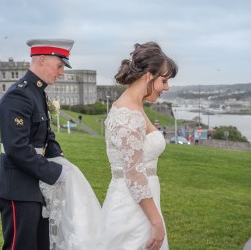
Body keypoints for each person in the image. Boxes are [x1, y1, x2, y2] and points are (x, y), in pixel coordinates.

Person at [0, 38, 77, 250]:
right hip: (17, 186)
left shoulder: (37, 92)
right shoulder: (19, 95)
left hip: (35, 185)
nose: (61, 73)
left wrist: (61, 160)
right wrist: (55, 172)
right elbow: (16, 148)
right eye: (59, 66)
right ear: (41, 60)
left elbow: (46, 135)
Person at [100, 42, 178, 250]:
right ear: (148, 76)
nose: (167, 87)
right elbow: (134, 175)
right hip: (131, 210)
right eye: (164, 81)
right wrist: (156, 222)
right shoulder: (128, 115)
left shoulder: (135, 106)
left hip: (143, 204)